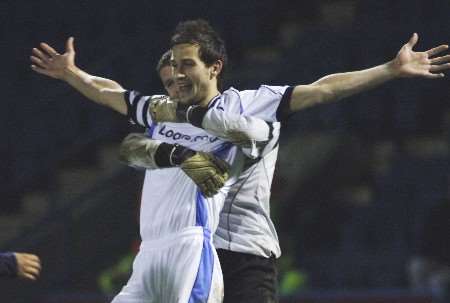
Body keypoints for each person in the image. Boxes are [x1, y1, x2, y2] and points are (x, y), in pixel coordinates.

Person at [31, 19, 450, 302]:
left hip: (245, 251)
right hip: (193, 248)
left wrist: (390, 70)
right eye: (172, 66)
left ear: (215, 67)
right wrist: (73, 75)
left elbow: (322, 89)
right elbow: (112, 93)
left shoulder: (252, 105)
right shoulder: (162, 109)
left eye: (186, 65)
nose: (176, 74)